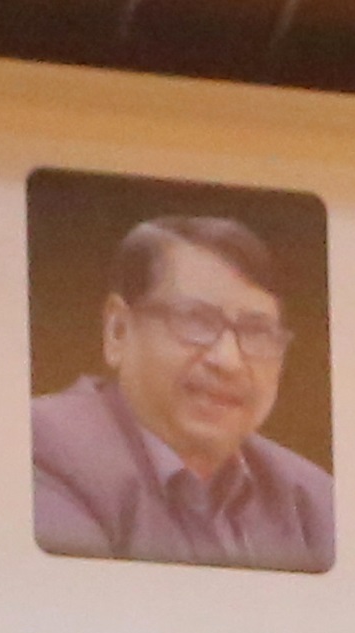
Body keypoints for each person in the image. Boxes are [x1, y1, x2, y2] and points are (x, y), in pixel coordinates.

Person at [29, 213, 338, 574]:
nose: (229, 361)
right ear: (118, 330)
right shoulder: (45, 449)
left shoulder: (313, 500)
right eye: (195, 320)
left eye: (256, 332)